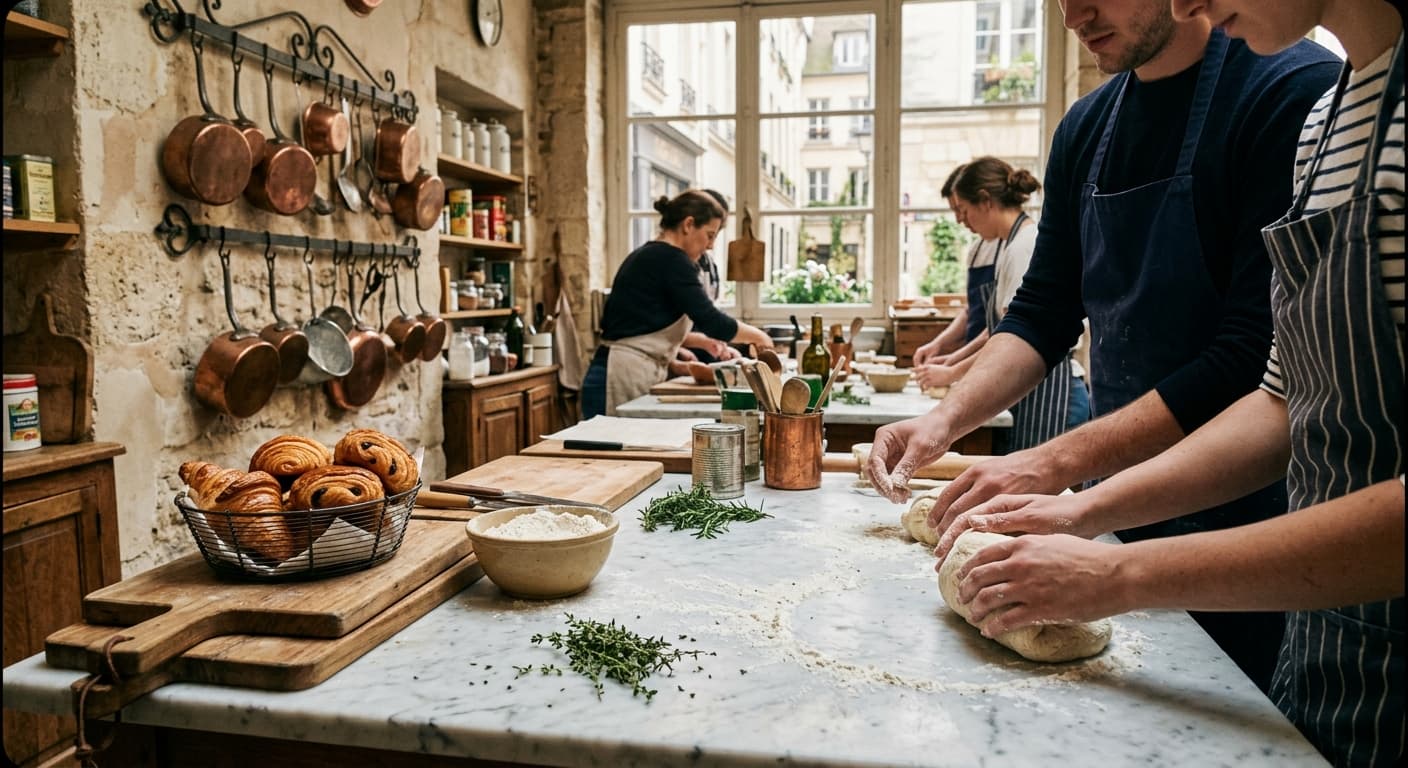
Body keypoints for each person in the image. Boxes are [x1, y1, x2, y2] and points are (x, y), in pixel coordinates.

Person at [936, 2, 1403, 763]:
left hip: (1269, 544)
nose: (1192, 3)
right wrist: (1081, 507)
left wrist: (1114, 562)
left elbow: (1244, 359)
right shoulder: (1337, 120)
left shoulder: (1294, 91)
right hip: (1325, 647)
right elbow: (1285, 397)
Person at [866, 0, 1340, 690]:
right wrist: (944, 420)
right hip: (1119, 503)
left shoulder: (1288, 91)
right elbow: (1042, 312)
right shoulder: (1087, 127)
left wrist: (1053, 462)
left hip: (1253, 517)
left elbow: (1253, 362)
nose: (1073, 15)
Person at [916, 157, 1091, 451]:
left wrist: (953, 372)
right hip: (1033, 393)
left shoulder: (1025, 246)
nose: (962, 219)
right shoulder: (1012, 244)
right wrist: (953, 363)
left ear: (985, 201)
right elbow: (999, 330)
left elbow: (1016, 339)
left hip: (1055, 397)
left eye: (965, 210)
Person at [581, 190, 771, 418]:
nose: (710, 246)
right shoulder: (671, 259)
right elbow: (711, 321)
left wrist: (696, 344)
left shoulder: (656, 255)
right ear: (688, 224)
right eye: (710, 235)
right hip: (614, 376)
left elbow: (646, 324)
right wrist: (759, 337)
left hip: (623, 370)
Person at [912, 164, 999, 370]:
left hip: (993, 360)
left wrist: (952, 364)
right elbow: (972, 311)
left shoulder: (1012, 246)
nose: (959, 219)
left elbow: (999, 330)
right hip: (975, 362)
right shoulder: (977, 249)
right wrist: (938, 344)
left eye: (961, 209)